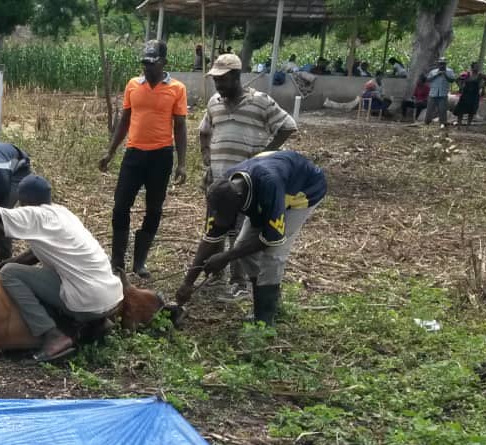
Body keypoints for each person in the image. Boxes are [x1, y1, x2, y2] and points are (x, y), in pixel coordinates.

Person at [0, 176, 124, 362]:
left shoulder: (34, 215)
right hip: (112, 298)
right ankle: (96, 324)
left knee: (11, 273)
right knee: (10, 267)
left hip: (87, 302)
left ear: (22, 200)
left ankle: (51, 335)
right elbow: (34, 254)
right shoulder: (63, 213)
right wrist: (1, 264)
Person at [176, 151, 327, 326]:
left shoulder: (269, 185)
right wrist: (188, 283)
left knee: (273, 255)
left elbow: (271, 239)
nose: (224, 222)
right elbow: (211, 237)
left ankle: (265, 319)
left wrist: (226, 256)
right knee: (242, 247)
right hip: (270, 185)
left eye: (228, 217)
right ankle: (268, 298)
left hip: (303, 191)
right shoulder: (221, 191)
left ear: (239, 203)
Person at [200, 54, 296, 302]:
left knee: (239, 232)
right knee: (215, 227)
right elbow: (204, 131)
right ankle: (215, 275)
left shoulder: (261, 102)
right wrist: (207, 162)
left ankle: (239, 283)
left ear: (236, 76)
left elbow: (288, 125)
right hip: (219, 181)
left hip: (246, 185)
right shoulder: (214, 102)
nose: (218, 85)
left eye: (222, 79)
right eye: (215, 80)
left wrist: (264, 156)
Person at [99, 40, 188, 279]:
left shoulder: (177, 88)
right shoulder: (132, 85)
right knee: (120, 206)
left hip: (161, 156)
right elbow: (125, 120)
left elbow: (180, 126)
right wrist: (110, 151)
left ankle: (139, 262)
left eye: (153, 63)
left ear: (164, 62)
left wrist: (182, 163)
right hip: (134, 154)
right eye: (145, 63)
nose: (147, 68)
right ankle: (117, 260)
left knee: (154, 209)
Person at [424, 57, 456, 127]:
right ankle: (427, 123)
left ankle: (443, 124)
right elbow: (428, 80)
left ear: (445, 64)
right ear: (438, 64)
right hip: (433, 93)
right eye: (441, 64)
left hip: (443, 94)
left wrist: (445, 75)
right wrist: (436, 75)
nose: (442, 65)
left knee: (442, 110)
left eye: (443, 64)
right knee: (429, 109)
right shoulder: (433, 71)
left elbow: (452, 80)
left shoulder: (450, 71)